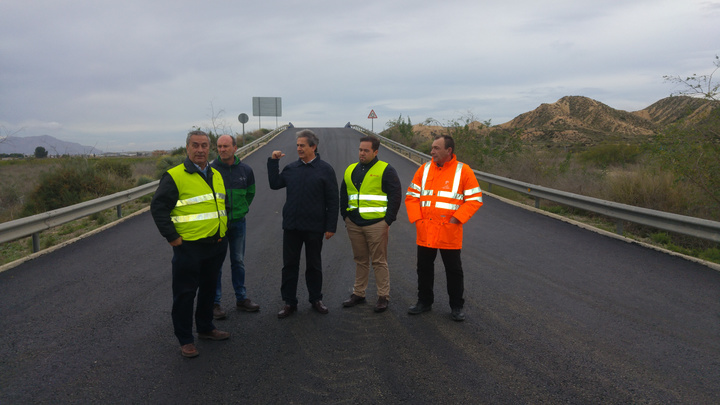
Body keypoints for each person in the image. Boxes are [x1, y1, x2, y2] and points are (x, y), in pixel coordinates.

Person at [150, 130, 231, 358]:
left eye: (204, 145)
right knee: (185, 294)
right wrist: (172, 237)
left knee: (208, 290)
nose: (200, 150)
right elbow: (158, 208)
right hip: (189, 248)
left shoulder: (215, 174)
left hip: (215, 244)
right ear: (187, 148)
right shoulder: (175, 176)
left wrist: (224, 232)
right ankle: (185, 339)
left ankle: (206, 328)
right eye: (195, 145)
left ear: (209, 148)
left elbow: (220, 206)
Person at [404, 134, 483, 322]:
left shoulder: (463, 171)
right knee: (423, 268)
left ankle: (456, 307)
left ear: (449, 151)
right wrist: (417, 220)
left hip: (449, 231)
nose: (432, 152)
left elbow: (475, 199)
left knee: (454, 271)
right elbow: (411, 196)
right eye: (432, 148)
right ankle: (424, 302)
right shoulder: (424, 169)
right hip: (426, 230)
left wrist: (457, 219)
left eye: (436, 148)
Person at [267, 129, 339, 319]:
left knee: (314, 265)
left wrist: (331, 226)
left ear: (313, 147)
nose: (298, 148)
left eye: (302, 145)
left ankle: (316, 299)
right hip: (292, 226)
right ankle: (289, 302)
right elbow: (275, 183)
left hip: (315, 226)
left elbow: (333, 200)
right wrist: (273, 162)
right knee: (289, 265)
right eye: (297, 145)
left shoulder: (325, 169)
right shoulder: (291, 168)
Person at [340, 136, 402, 313]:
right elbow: (343, 194)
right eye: (360, 149)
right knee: (360, 260)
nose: (362, 153)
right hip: (354, 223)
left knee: (379, 261)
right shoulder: (350, 169)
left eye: (366, 150)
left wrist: (388, 220)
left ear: (375, 152)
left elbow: (395, 196)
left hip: (376, 224)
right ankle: (359, 293)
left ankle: (383, 296)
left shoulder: (385, 170)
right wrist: (345, 215)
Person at [210, 134, 259, 320]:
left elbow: (250, 193)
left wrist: (240, 210)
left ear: (235, 147)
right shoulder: (210, 170)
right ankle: (215, 302)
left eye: (226, 146)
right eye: (219, 146)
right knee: (216, 264)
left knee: (238, 261)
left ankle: (241, 298)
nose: (222, 149)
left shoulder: (245, 170)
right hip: (216, 225)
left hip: (238, 223)